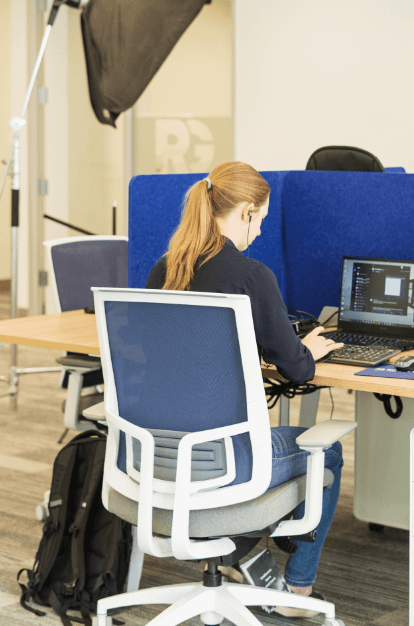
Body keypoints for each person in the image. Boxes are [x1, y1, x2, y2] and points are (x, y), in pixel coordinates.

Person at [145, 161, 344, 617]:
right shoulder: (252, 276)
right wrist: (306, 347)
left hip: (160, 456)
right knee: (326, 452)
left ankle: (243, 552)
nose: (259, 234)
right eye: (261, 221)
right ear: (246, 212)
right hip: (227, 462)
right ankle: (296, 590)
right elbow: (298, 370)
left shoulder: (164, 270)